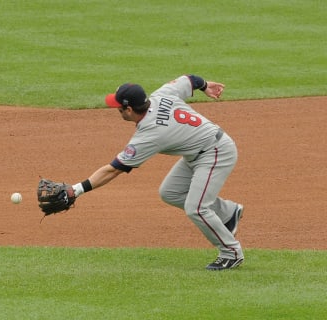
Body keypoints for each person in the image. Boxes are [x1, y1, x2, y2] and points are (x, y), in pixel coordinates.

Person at [70, 74, 244, 270]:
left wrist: (76, 190)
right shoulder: (161, 95)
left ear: (129, 109)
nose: (116, 110)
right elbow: (191, 79)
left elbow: (113, 170)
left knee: (196, 208)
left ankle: (231, 252)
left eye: (118, 107)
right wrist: (205, 86)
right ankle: (227, 213)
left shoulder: (150, 134)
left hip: (216, 153)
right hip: (199, 151)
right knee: (169, 192)